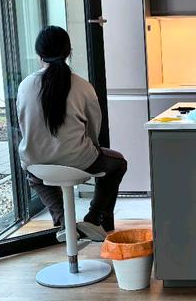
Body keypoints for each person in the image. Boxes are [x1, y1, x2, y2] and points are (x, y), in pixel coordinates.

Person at [17, 25, 127, 241]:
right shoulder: (83, 86)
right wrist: (91, 147)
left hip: (36, 162)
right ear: (69, 52)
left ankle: (64, 223)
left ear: (39, 54)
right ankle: (94, 219)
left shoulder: (25, 86)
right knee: (119, 164)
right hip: (79, 160)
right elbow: (94, 130)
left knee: (35, 176)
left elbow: (24, 125)